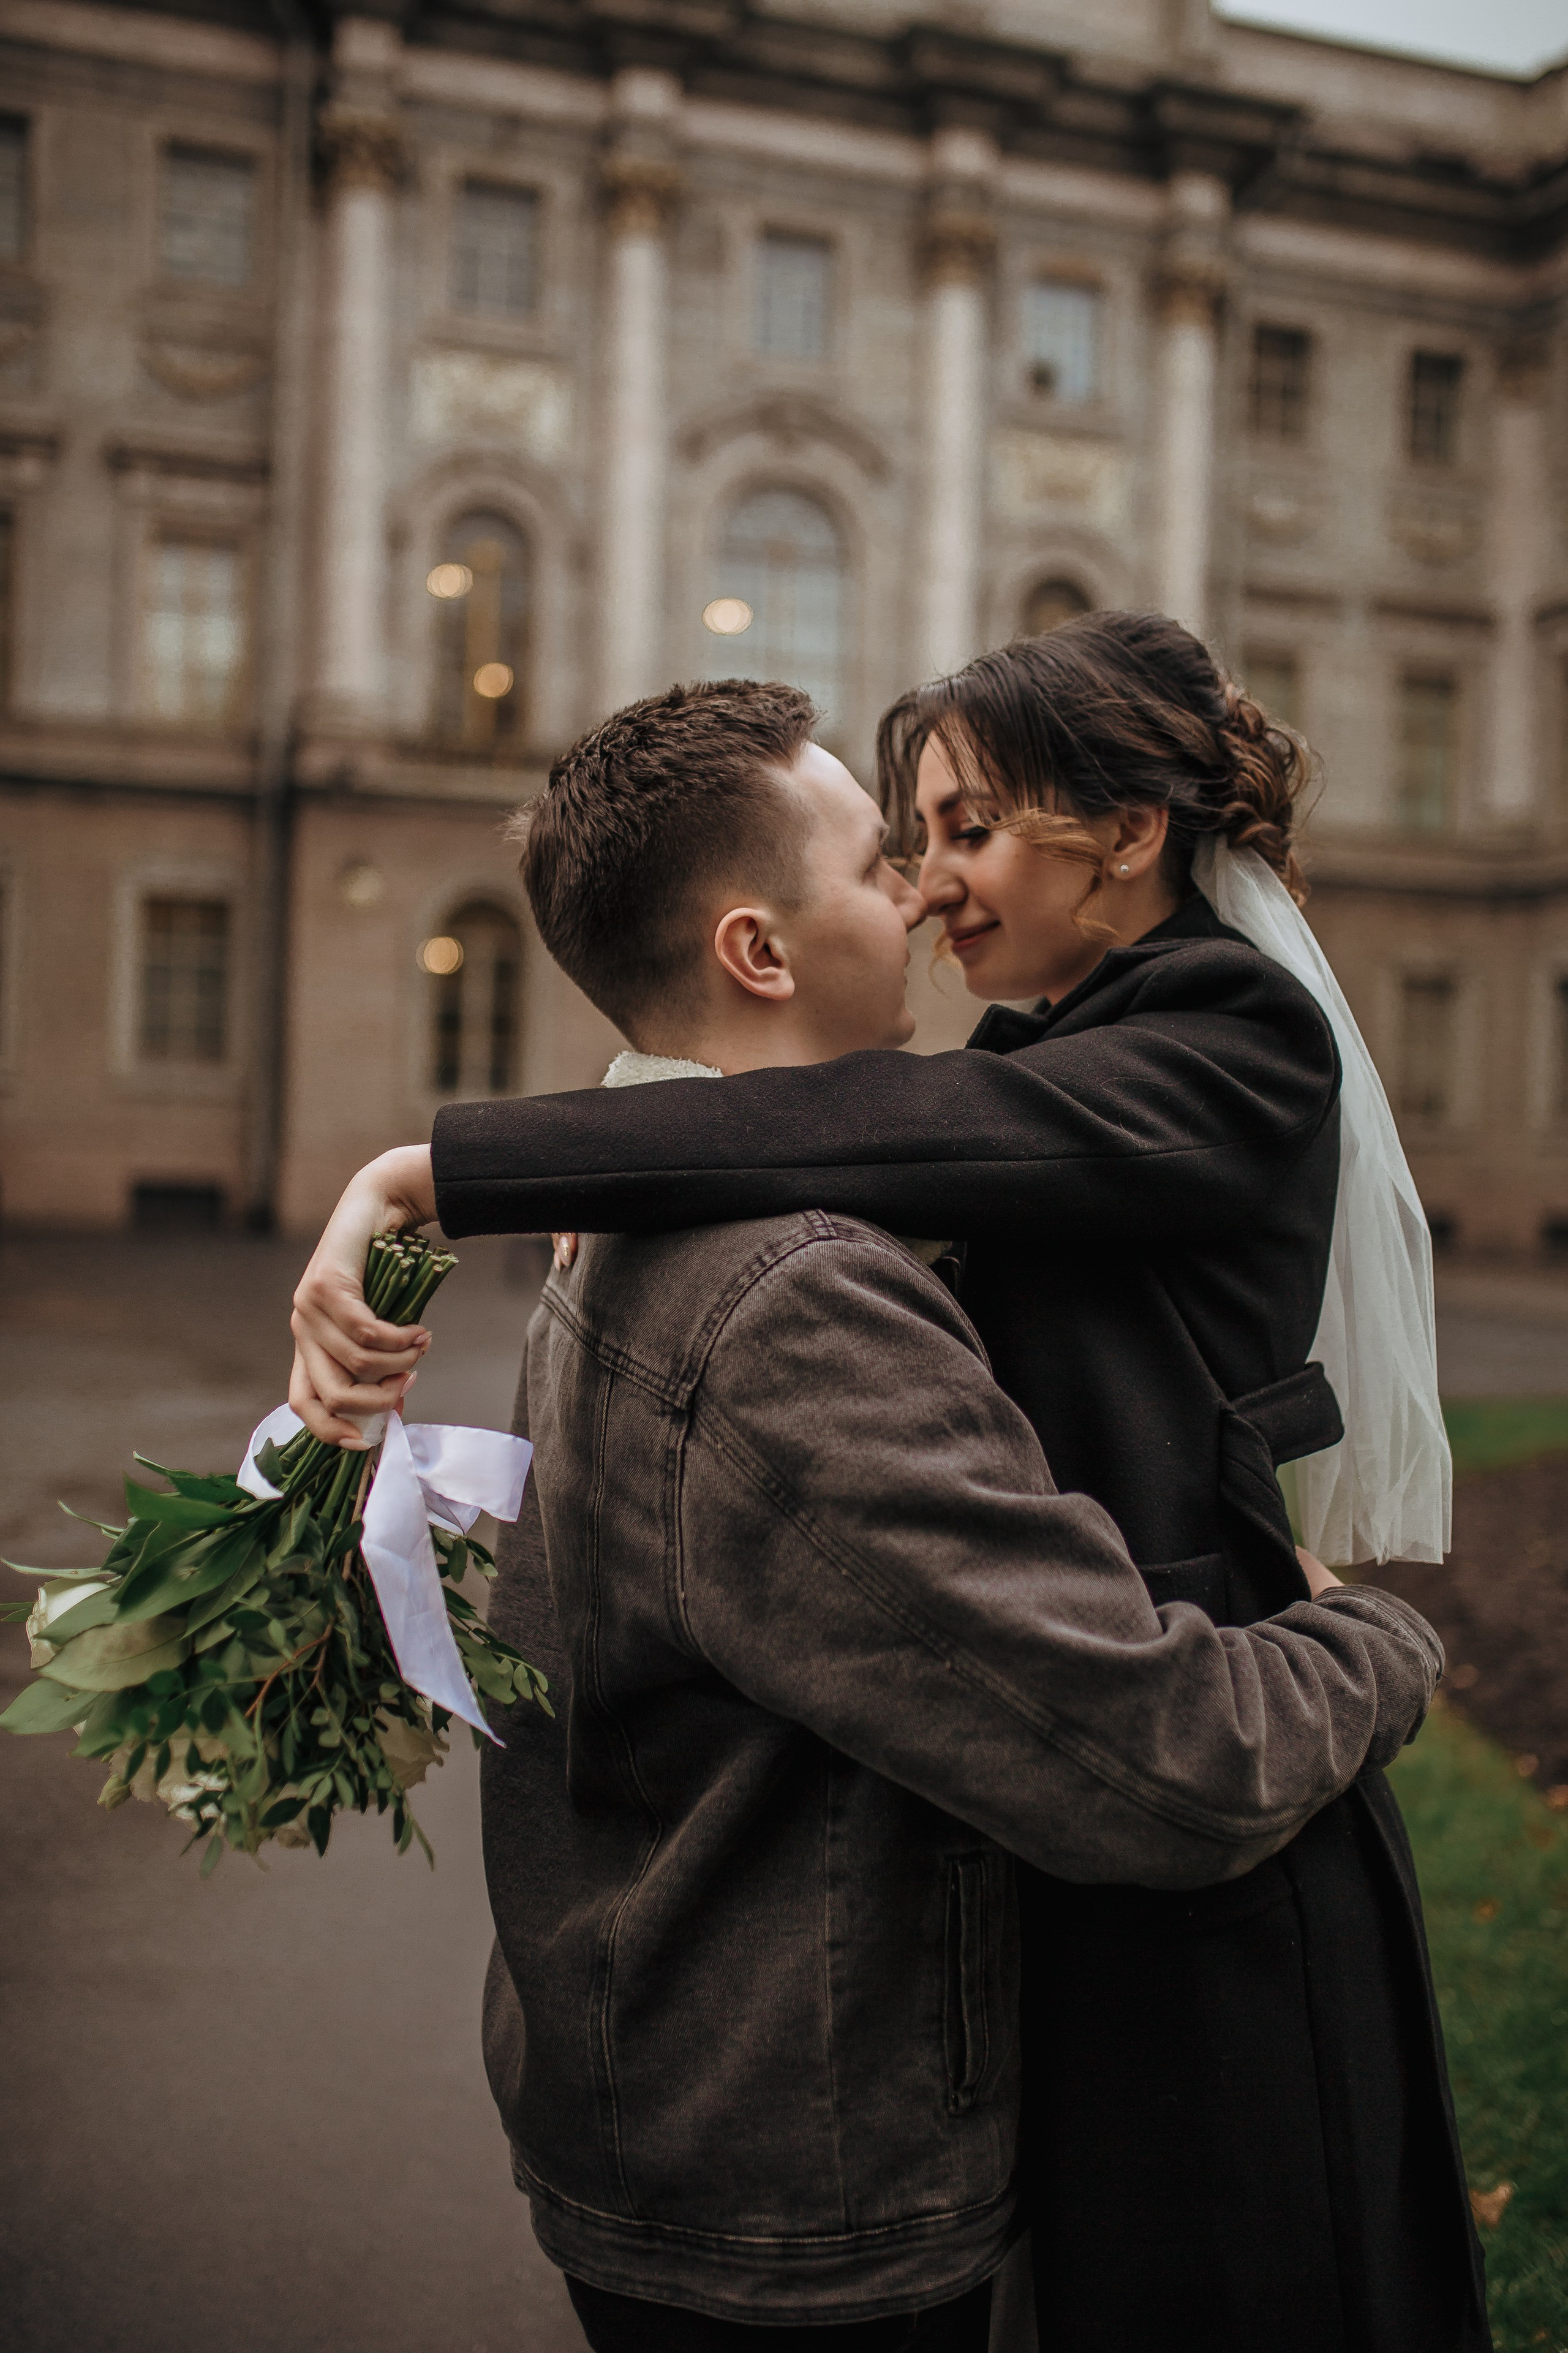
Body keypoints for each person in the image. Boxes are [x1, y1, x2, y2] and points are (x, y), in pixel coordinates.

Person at [288, 631, 1485, 2353]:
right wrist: (599, 1158)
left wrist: (443, 1168)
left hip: (1207, 1796)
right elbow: (867, 1133)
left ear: (1127, 833)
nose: (926, 891)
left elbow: (904, 1127)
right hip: (1089, 1787)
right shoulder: (923, 1152)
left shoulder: (1231, 1033)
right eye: (900, 844)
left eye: (966, 828)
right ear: (760, 943)